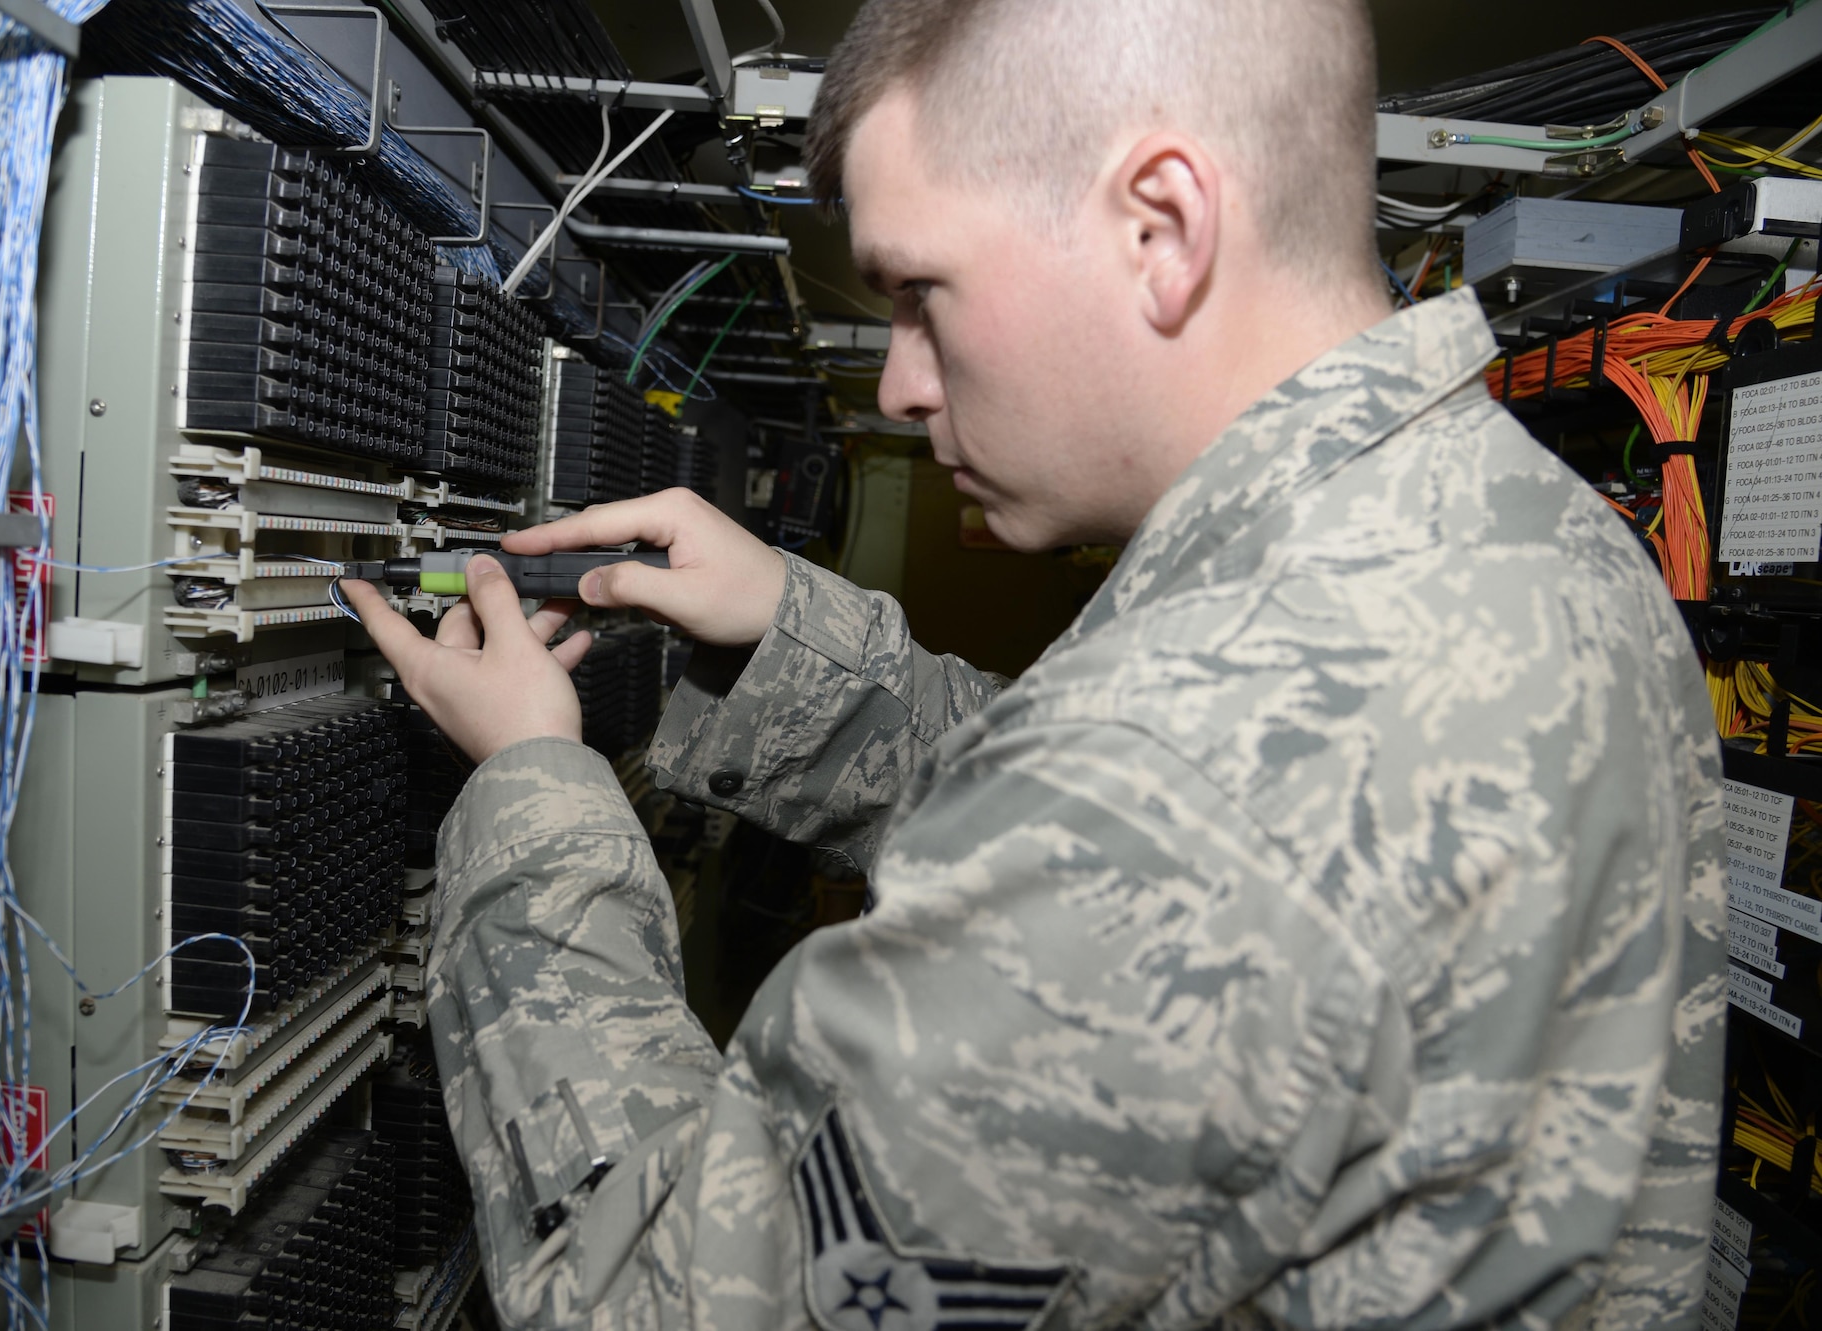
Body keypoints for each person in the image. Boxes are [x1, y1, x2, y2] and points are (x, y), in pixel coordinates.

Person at [342, 0, 1729, 1325]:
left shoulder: (1191, 768)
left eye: (922, 291)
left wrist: (534, 787)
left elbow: (663, 1297)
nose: (899, 383)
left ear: (1162, 227)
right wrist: (789, 633)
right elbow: (1104, 825)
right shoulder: (1508, 540)